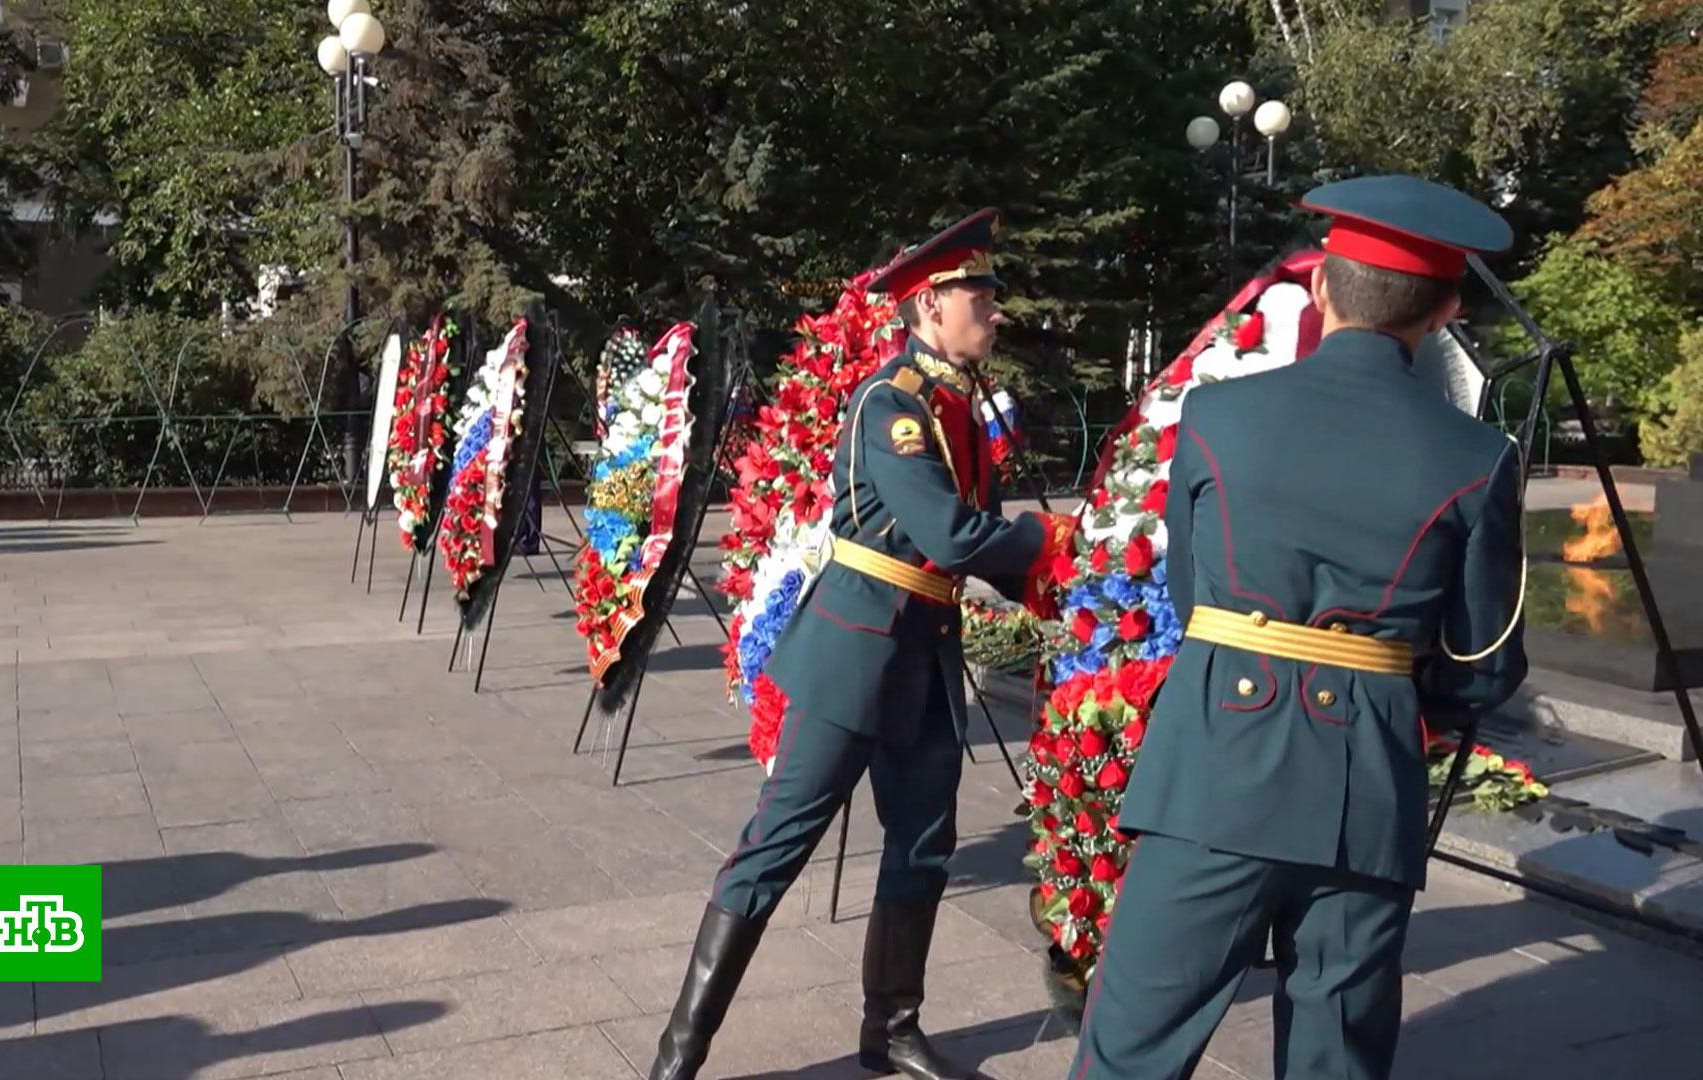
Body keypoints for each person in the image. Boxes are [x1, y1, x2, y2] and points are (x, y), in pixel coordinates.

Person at [1064, 175, 1531, 1080]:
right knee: (1334, 1059)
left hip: (1214, 772)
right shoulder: (1479, 458)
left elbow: (1197, 593)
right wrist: (1391, 696)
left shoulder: (1218, 415)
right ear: (1444, 311)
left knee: (1133, 1049)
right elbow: (1482, 665)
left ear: (1321, 288)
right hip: (1367, 788)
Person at [646, 209, 1073, 1080]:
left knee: (923, 843)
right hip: (854, 652)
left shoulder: (960, 400)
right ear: (928, 306)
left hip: (923, 652)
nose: (994, 310)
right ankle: (678, 1054)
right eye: (977, 296)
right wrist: (1050, 546)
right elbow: (952, 536)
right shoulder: (894, 406)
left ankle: (892, 1030)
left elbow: (964, 542)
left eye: (992, 294)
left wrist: (1052, 565)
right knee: (776, 848)